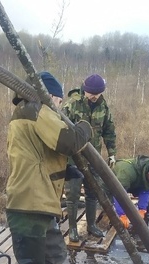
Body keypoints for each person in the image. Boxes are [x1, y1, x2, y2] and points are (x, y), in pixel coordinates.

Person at [0, 71, 93, 264]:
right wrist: (85, 126)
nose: (60, 106)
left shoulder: (27, 112)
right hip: (28, 205)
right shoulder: (37, 109)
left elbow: (41, 155)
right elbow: (69, 141)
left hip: (40, 203)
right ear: (50, 95)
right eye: (59, 100)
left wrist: (64, 171)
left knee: (54, 256)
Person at [62, 73, 118, 242]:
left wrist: (112, 153)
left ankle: (91, 225)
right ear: (85, 90)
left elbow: (109, 131)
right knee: (72, 196)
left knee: (93, 192)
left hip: (93, 158)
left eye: (97, 93)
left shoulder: (103, 106)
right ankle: (72, 228)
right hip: (73, 159)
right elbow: (61, 130)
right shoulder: (72, 104)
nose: (94, 96)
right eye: (91, 93)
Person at [111, 155, 149, 228]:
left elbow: (145, 191)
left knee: (148, 205)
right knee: (110, 204)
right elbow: (118, 193)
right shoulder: (127, 171)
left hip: (131, 183)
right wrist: (122, 214)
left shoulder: (148, 175)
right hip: (111, 183)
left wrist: (142, 209)